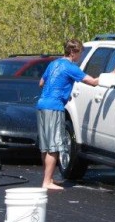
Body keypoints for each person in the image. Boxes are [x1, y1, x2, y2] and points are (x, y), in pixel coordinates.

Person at [36, 39, 100, 190]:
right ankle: (47, 182)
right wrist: (114, 73)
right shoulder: (71, 67)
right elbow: (92, 82)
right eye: (80, 53)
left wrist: (61, 90)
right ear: (72, 52)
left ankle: (48, 178)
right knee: (54, 146)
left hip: (41, 105)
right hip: (54, 107)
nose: (81, 56)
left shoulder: (53, 64)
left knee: (45, 145)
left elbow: (41, 83)